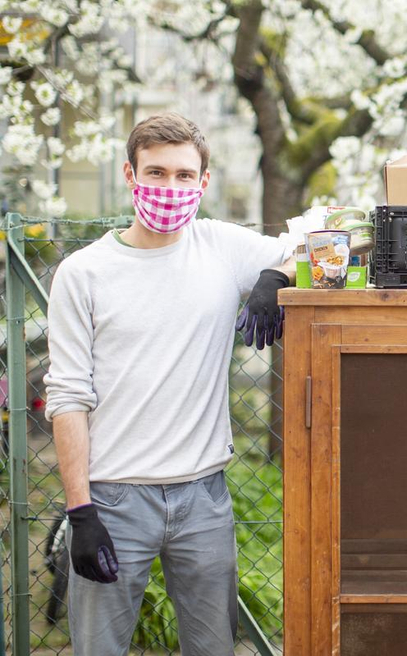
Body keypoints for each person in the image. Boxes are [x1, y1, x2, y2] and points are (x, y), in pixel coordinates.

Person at [44, 113, 294, 654]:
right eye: (156, 173)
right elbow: (67, 396)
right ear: (130, 176)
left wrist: (277, 275)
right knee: (99, 649)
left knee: (212, 649)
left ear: (204, 183)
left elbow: (324, 240)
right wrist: (80, 511)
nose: (170, 187)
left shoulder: (222, 248)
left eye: (185, 176)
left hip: (204, 497)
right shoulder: (83, 273)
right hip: (111, 499)